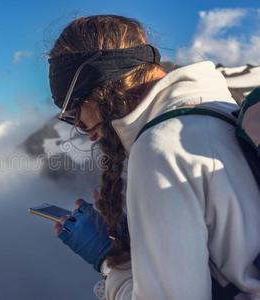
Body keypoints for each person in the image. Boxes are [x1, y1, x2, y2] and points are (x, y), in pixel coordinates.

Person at [48, 15, 260, 300]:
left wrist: (109, 263)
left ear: (97, 91)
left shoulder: (159, 149)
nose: (85, 132)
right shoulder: (217, 109)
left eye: (76, 115)